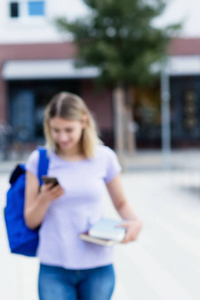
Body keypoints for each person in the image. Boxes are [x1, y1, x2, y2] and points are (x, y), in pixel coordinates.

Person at [24, 92, 142, 300]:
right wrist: (44, 198)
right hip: (54, 267)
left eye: (69, 130)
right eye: (56, 130)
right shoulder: (39, 160)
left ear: (84, 122)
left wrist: (135, 222)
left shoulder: (104, 157)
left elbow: (121, 203)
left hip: (98, 267)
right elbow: (31, 221)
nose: (62, 137)